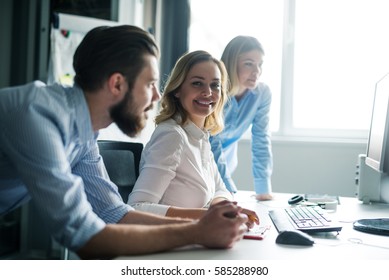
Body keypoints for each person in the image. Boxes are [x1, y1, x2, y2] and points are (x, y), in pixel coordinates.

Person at [0, 25, 248, 260]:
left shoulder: (85, 135)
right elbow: (83, 237)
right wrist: (197, 232)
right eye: (150, 83)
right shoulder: (36, 115)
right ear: (117, 83)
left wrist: (203, 225)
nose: (157, 95)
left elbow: (114, 214)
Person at [127, 50, 259, 226]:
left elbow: (220, 190)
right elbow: (137, 207)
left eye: (215, 85)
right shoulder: (172, 136)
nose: (208, 92)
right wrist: (207, 216)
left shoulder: (200, 136)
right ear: (177, 90)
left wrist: (229, 212)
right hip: (168, 242)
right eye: (197, 83)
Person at [210, 35, 273, 201]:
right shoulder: (214, 92)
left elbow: (261, 140)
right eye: (249, 64)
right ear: (231, 64)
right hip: (200, 156)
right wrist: (227, 188)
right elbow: (212, 142)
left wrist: (262, 189)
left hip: (227, 161)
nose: (256, 71)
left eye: (260, 65)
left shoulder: (262, 94)